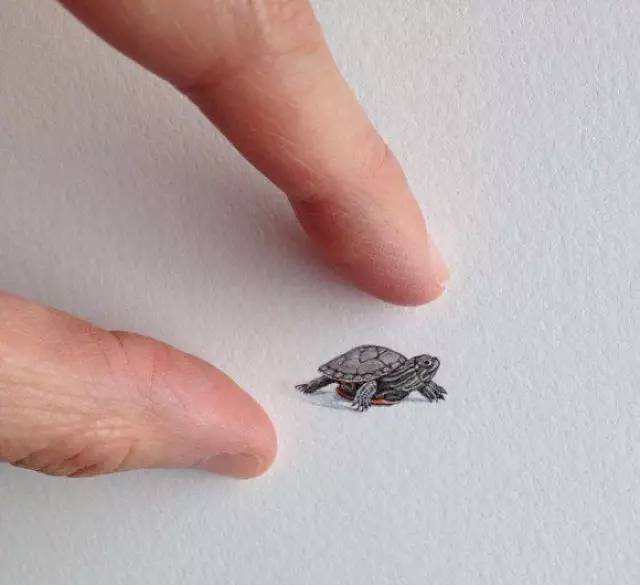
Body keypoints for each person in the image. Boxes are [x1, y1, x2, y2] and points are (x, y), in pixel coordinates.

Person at [0, 0, 448, 479]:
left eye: (423, 370)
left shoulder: (406, 377)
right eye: (423, 370)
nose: (424, 370)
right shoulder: (379, 376)